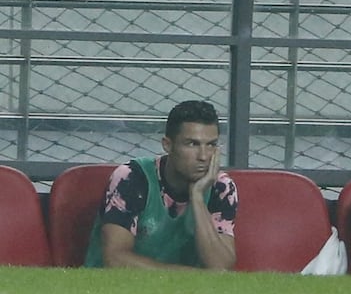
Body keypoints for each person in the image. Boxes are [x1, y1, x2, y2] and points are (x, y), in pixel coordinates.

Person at [84, 100, 237, 270]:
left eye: (211, 145)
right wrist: (190, 276)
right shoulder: (132, 177)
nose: (203, 156)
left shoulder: (221, 187)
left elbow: (220, 268)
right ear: (167, 145)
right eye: (192, 144)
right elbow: (115, 259)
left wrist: (197, 197)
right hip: (113, 290)